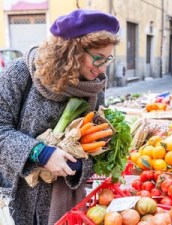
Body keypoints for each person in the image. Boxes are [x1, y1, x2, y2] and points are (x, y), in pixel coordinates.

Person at [0, 9, 119, 225]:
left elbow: (96, 143)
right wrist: (40, 153)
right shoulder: (21, 73)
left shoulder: (94, 85)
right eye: (98, 58)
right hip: (17, 196)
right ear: (71, 51)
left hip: (64, 199)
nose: (102, 68)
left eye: (108, 58)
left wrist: (79, 167)